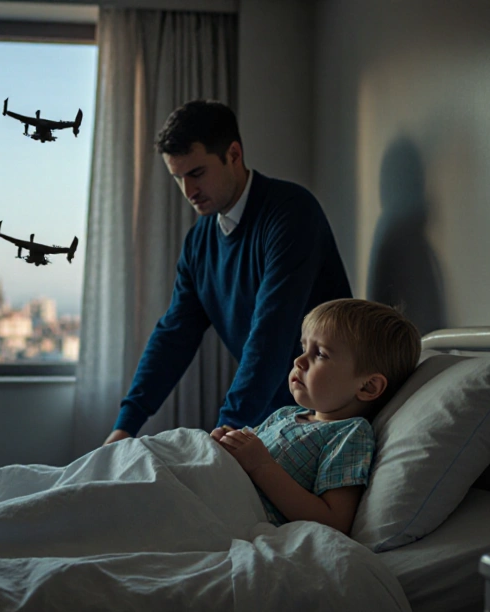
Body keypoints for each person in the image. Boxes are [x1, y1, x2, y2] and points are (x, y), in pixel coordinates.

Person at [104, 100, 352, 445]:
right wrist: (125, 425)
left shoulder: (291, 213)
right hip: (265, 420)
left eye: (196, 173)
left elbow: (271, 332)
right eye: (178, 178)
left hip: (325, 418)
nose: (188, 192)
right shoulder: (199, 242)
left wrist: (226, 429)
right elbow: (174, 336)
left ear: (233, 154)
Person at [213, 299, 420, 532]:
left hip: (232, 514)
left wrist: (261, 465)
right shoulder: (285, 414)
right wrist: (227, 442)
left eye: (320, 354)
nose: (299, 361)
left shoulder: (349, 434)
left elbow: (334, 520)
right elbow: (247, 453)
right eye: (304, 349)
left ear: (368, 387)